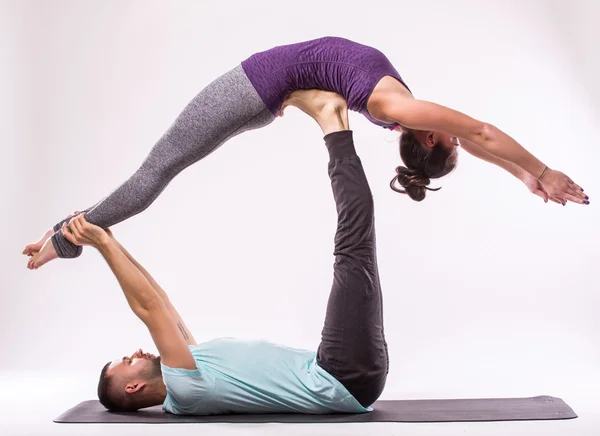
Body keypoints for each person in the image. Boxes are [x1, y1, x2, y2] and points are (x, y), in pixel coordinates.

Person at [23, 36, 588, 269]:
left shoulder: (402, 110)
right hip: (266, 97)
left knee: (158, 167)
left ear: (432, 139)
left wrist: (541, 169)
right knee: (165, 166)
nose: (455, 134)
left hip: (256, 85)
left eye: (450, 140)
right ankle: (66, 236)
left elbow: (481, 131)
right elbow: (479, 142)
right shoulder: (401, 114)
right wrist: (522, 177)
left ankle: (64, 237)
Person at [59, 97, 388, 414]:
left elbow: (161, 300)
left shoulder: (191, 364)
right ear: (133, 388)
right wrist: (102, 244)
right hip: (342, 376)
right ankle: (333, 121)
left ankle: (334, 121)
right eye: (129, 362)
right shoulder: (186, 389)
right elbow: (149, 308)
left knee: (354, 245)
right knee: (352, 245)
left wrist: (112, 242)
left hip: (341, 371)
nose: (136, 353)